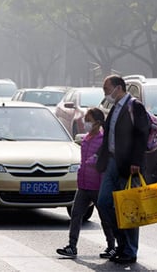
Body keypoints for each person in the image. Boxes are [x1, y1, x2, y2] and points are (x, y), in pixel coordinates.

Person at [96, 74, 150, 265]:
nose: (106, 94)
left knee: (130, 209)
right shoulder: (114, 108)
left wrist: (136, 160)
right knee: (103, 203)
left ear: (118, 88)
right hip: (111, 162)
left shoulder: (134, 106)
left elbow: (141, 135)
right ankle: (121, 242)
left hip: (129, 165)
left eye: (106, 89)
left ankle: (130, 250)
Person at [56, 108, 116, 259]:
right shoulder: (86, 139)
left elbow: (105, 162)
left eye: (89, 120)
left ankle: (111, 246)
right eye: (86, 119)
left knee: (105, 218)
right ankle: (72, 246)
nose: (86, 123)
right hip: (83, 185)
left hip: (97, 186)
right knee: (76, 215)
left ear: (97, 123)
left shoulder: (103, 141)